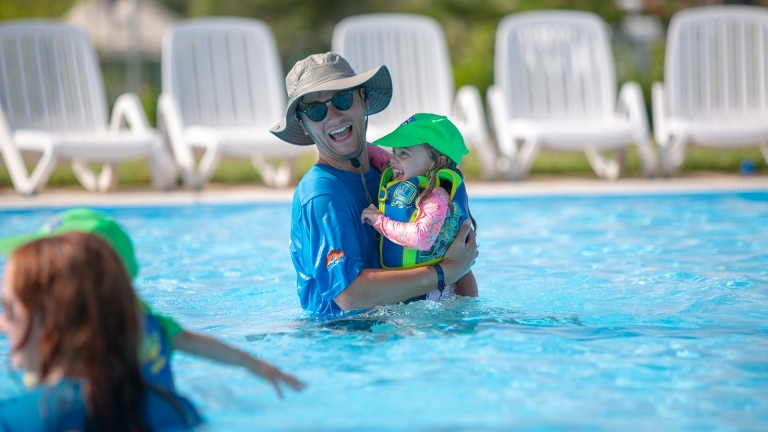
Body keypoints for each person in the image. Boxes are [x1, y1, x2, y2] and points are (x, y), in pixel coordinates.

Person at [0, 208, 305, 398]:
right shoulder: (145, 323)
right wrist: (254, 364)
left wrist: (254, 364)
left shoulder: (54, 378)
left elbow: (191, 341)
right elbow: (188, 341)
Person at [270, 53, 478, 315]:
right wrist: (444, 272)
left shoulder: (396, 174)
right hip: (345, 338)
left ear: (363, 100)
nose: (333, 116)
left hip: (404, 329)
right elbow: (350, 295)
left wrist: (470, 321)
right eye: (316, 110)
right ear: (304, 126)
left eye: (342, 99)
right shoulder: (322, 194)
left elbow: (459, 255)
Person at [0, 232, 202, 430]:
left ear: (52, 320)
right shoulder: (178, 411)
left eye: (8, 309)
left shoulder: (14, 421)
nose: (2, 323)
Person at [360, 113, 479, 301]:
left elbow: (422, 237)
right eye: (394, 151)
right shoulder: (407, 176)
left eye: (404, 153)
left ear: (436, 161)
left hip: (432, 301)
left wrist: (379, 221)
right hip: (414, 295)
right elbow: (377, 156)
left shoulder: (437, 198)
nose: (393, 160)